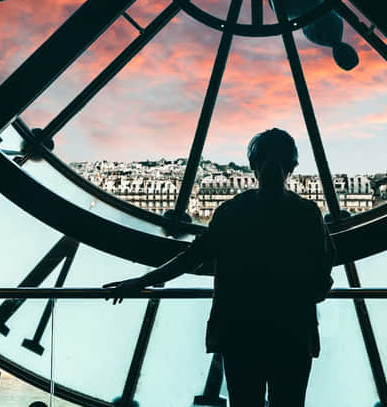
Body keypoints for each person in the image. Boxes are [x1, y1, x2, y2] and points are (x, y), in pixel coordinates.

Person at [104, 128, 336, 407]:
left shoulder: (233, 212)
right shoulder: (308, 215)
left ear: (253, 166)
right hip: (292, 335)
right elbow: (321, 277)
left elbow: (192, 257)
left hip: (241, 333)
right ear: (292, 167)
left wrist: (141, 281)